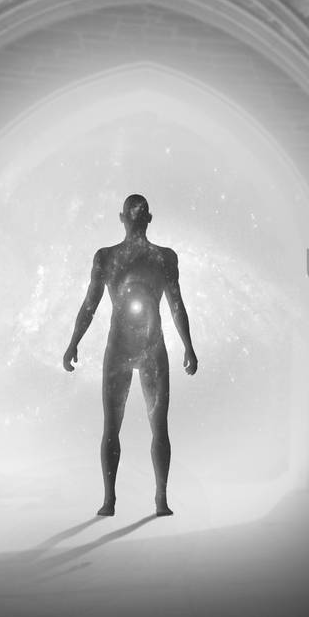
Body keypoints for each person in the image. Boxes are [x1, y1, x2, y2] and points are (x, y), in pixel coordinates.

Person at [62, 193, 197, 516]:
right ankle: (111, 500)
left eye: (139, 215)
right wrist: (73, 342)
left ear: (142, 219)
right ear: (125, 219)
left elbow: (176, 304)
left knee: (157, 427)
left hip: (150, 348)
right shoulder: (107, 257)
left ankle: (158, 499)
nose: (135, 219)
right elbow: (90, 303)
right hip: (121, 348)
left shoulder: (164, 258)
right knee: (113, 427)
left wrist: (189, 345)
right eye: (133, 215)